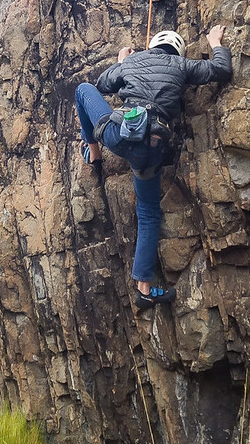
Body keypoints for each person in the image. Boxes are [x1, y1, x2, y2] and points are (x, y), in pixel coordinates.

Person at [75, 24, 232, 309]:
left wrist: (122, 62)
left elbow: (102, 84)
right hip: (151, 149)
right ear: (177, 50)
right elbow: (221, 70)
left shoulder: (134, 61)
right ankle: (144, 290)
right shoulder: (182, 65)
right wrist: (215, 42)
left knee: (82, 90)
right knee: (148, 212)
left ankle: (94, 153)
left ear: (153, 45)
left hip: (119, 135)